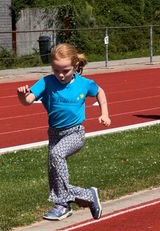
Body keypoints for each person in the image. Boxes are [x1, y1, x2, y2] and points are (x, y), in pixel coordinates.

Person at [16, 43, 111, 221]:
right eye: (56, 70)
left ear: (75, 66)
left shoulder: (84, 84)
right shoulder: (46, 82)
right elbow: (28, 100)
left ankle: (62, 205)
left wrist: (104, 114)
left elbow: (100, 92)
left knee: (57, 154)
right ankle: (89, 196)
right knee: (55, 179)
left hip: (75, 133)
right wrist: (22, 94)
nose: (60, 75)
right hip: (54, 134)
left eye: (65, 71)